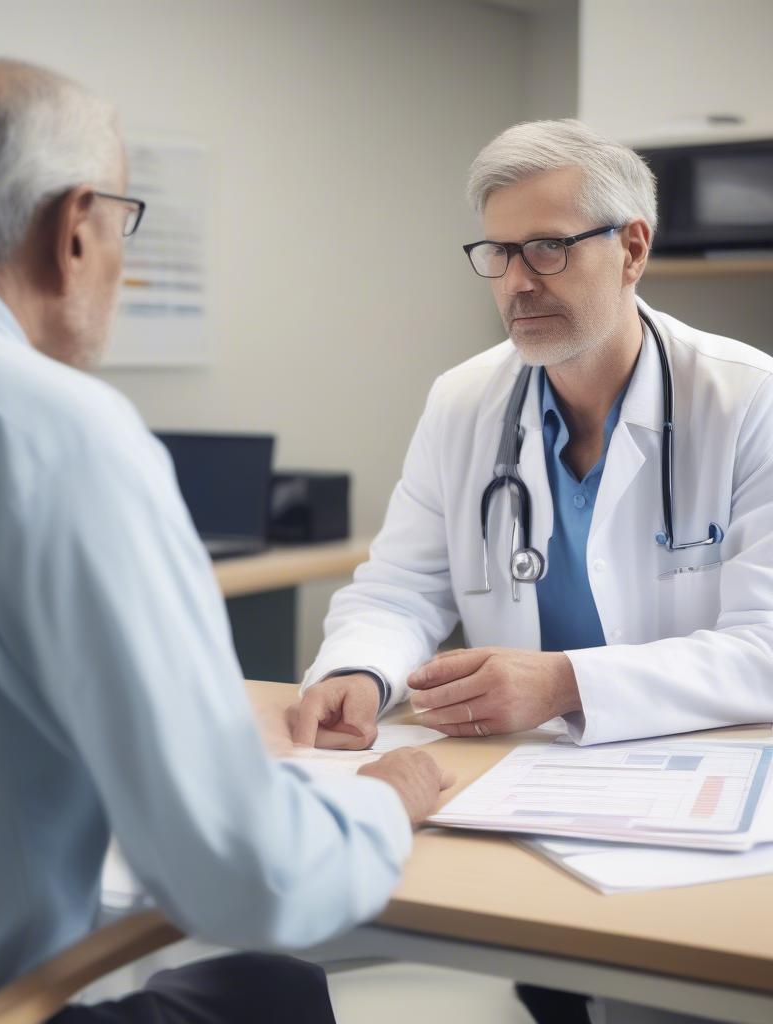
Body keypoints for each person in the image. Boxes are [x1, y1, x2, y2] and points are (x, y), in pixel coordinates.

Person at [0, 60, 451, 1024]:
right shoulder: (57, 428)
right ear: (73, 226)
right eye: (125, 221)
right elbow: (245, 879)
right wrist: (388, 800)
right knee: (273, 992)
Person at [289, 119, 773, 1024]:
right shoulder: (464, 399)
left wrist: (563, 682)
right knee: (552, 986)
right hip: (524, 792)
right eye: (499, 252)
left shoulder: (748, 400)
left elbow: (766, 649)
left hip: (703, 805)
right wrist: (359, 667)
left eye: (547, 248)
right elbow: (399, 588)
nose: (516, 281)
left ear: (632, 249)